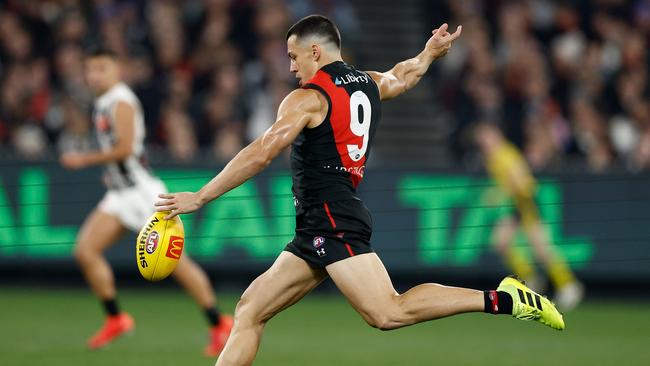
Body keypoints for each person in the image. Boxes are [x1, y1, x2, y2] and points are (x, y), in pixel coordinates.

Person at [155, 15, 565, 366]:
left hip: (331, 215)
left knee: (387, 311)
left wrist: (202, 195)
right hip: (317, 223)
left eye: (294, 56)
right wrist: (427, 54)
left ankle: (504, 298)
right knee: (249, 310)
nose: (292, 66)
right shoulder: (364, 83)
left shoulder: (306, 98)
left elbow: (263, 152)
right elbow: (401, 77)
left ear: (315, 52)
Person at [59, 47, 232, 356]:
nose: (94, 75)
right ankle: (116, 318)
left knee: (178, 263)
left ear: (117, 70)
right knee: (85, 250)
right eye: (90, 69)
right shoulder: (103, 102)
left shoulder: (121, 101)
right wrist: (111, 175)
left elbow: (125, 149)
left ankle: (219, 324)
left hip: (142, 193)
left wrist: (84, 160)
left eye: (101, 68)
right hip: (121, 193)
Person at [473, 122, 585, 310]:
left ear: (496, 135)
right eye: (481, 140)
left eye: (486, 138)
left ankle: (568, 286)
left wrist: (501, 196)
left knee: (541, 249)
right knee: (502, 243)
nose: (484, 143)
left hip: (524, 203)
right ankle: (533, 280)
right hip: (516, 204)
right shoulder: (494, 157)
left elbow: (520, 181)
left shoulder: (505, 155)